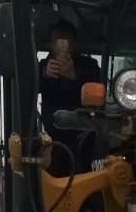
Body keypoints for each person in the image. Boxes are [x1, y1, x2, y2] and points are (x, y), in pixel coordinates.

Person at [38, 20, 102, 175]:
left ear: (74, 43)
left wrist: (75, 76)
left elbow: (101, 92)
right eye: (58, 41)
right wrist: (44, 74)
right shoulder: (41, 68)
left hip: (87, 138)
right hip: (52, 140)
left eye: (66, 41)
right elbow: (25, 88)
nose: (62, 46)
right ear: (51, 44)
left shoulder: (89, 66)